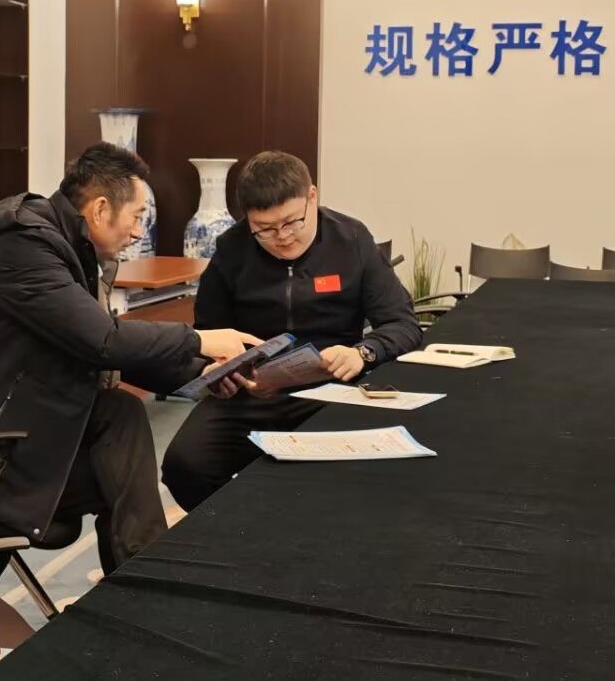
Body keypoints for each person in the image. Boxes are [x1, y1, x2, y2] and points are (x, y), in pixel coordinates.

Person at [0, 143, 258, 574]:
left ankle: (141, 579)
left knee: (118, 418)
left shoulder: (60, 248)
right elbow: (103, 339)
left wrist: (199, 374)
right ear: (101, 209)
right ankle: (146, 581)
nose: (138, 232)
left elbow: (95, 350)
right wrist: (199, 339)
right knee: (117, 453)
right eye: (137, 216)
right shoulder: (24, 250)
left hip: (8, 433)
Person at [162, 151, 423, 511]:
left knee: (341, 481)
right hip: (252, 394)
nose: (282, 237)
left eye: (291, 222)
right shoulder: (232, 249)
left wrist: (362, 353)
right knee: (185, 465)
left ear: (312, 197)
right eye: (265, 229)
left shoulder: (351, 240)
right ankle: (243, 530)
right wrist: (220, 371)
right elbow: (207, 333)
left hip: (333, 390)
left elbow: (403, 323)